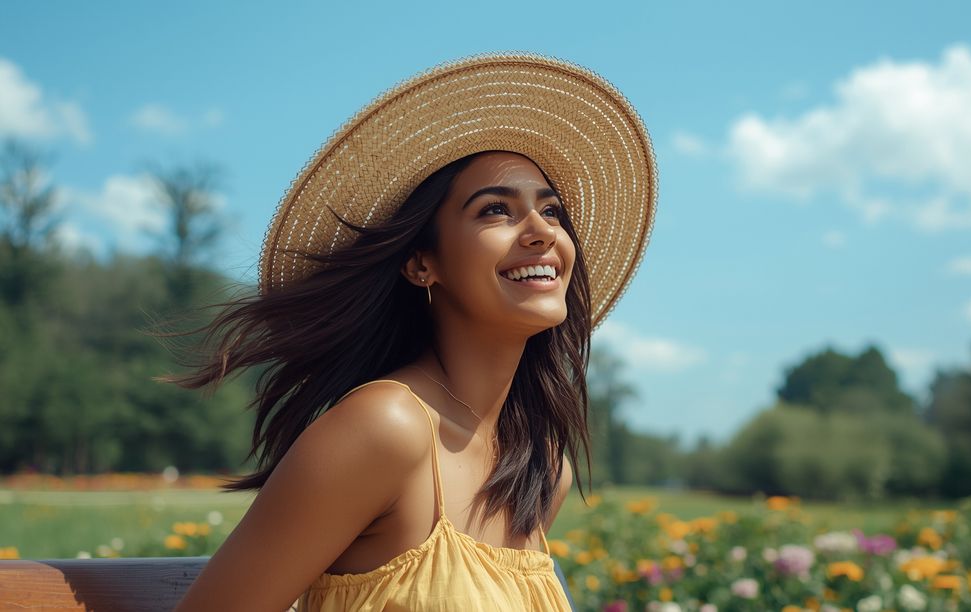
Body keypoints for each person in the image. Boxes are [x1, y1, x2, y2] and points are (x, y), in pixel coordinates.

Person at [168, 53, 656, 611]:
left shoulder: (541, 467)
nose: (541, 232)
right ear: (422, 263)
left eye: (553, 211)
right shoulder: (385, 429)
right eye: (496, 210)